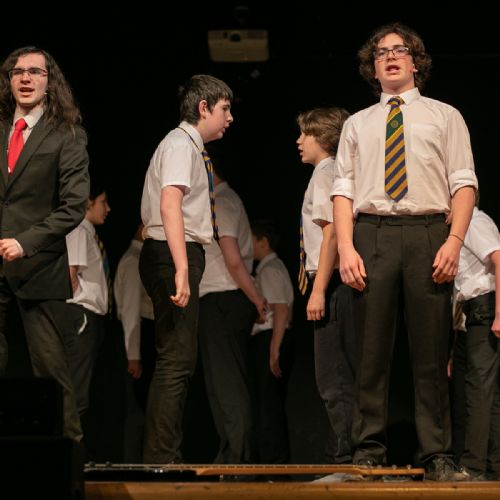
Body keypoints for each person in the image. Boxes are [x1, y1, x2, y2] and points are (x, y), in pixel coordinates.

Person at [331, 23, 478, 480]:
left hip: (428, 232)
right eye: (381, 52)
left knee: (431, 352)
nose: (391, 57)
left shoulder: (445, 116)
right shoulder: (357, 124)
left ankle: (437, 454)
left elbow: (464, 183)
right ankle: (368, 451)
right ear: (372, 67)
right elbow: (343, 191)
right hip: (371, 233)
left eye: (400, 50)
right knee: (370, 351)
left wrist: (454, 241)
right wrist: (345, 248)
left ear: (416, 62)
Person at [139, 74, 233, 464]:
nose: (230, 118)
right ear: (203, 108)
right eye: (225, 109)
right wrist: (181, 267)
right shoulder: (180, 144)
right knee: (176, 360)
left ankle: (162, 455)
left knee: (179, 359)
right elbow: (169, 204)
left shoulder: (190, 148)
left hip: (175, 252)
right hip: (170, 252)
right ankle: (161, 458)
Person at [0, 46, 89, 441]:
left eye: (35, 71)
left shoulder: (66, 134)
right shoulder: (1, 128)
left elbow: (74, 207)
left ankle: (69, 456)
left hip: (38, 265)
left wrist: (25, 243)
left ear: (49, 82)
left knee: (51, 372)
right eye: (18, 71)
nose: (25, 78)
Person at [198, 152, 267, 464]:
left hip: (225, 298)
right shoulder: (218, 201)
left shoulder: (223, 201)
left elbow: (233, 259)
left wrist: (256, 298)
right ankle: (231, 455)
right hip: (218, 299)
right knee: (219, 384)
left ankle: (239, 460)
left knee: (228, 384)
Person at [297, 107, 356, 465]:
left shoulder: (325, 173)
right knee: (340, 373)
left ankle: (346, 458)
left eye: (305, 133)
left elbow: (332, 232)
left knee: (333, 376)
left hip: (331, 282)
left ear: (322, 137)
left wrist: (318, 290)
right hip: (336, 282)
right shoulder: (333, 172)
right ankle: (345, 453)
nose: (299, 141)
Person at [55, 185, 111, 422]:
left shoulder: (89, 233)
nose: (108, 208)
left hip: (90, 316)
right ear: (88, 202)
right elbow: (70, 274)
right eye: (103, 202)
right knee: (76, 393)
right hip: (81, 315)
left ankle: (73, 440)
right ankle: (68, 442)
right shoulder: (79, 229)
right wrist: (78, 305)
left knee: (81, 391)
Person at [453, 204, 500, 480]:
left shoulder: (472, 220)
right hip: (474, 311)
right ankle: (493, 465)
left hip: (485, 306)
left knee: (479, 387)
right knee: (488, 391)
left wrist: (499, 313)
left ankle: (473, 466)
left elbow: (499, 258)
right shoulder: (465, 225)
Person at [250, 219, 294, 464]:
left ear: (263, 242)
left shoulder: (270, 269)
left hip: (271, 337)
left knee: (268, 406)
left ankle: (273, 463)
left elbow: (281, 309)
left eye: (251, 240)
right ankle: (272, 461)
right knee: (268, 404)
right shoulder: (269, 268)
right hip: (272, 337)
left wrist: (274, 351)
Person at [114, 222, 154, 462]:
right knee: (137, 409)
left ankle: (141, 463)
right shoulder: (133, 261)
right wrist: (134, 354)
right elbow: (131, 309)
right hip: (138, 337)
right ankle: (134, 465)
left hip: (142, 335)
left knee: (142, 408)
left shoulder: (139, 259)